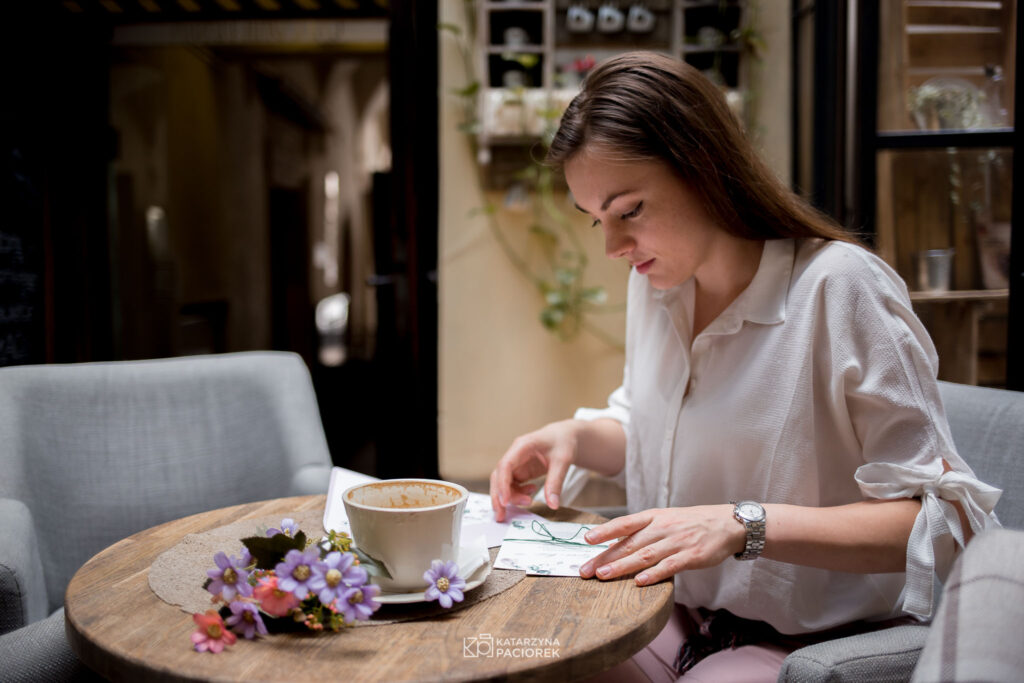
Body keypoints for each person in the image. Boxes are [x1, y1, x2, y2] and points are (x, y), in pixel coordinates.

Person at [488, 51, 1002, 682]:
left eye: (630, 211)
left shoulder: (838, 288)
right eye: (597, 219)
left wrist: (743, 524)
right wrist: (573, 437)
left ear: (704, 169)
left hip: (813, 643)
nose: (613, 248)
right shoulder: (658, 284)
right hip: (675, 612)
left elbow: (943, 521)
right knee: (518, 657)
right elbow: (659, 426)